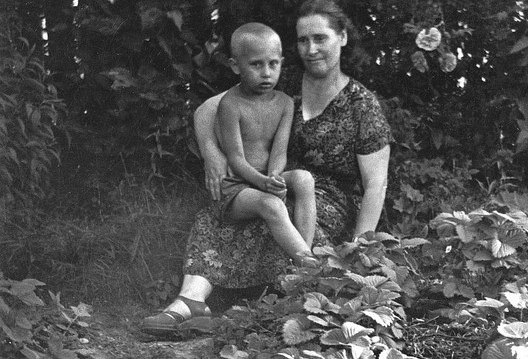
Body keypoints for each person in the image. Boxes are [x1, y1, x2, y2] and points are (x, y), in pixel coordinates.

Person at [141, 0, 393, 336]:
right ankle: (189, 300)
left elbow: (376, 186)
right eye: (303, 40)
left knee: (270, 217)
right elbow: (206, 111)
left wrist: (360, 251)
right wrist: (213, 155)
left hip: (323, 201)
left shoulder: (362, 105)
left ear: (343, 38)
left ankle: (263, 309)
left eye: (321, 38)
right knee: (217, 211)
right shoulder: (277, 76)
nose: (311, 49)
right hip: (266, 179)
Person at [213, 22, 318, 267]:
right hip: (237, 186)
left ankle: (303, 255)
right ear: (235, 66)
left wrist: (274, 177)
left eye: (273, 64)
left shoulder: (284, 103)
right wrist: (263, 185)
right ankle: (312, 268)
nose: (267, 73)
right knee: (271, 204)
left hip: (266, 176)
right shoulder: (231, 104)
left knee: (304, 179)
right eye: (256, 64)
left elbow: (279, 151)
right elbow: (236, 158)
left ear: (281, 62)